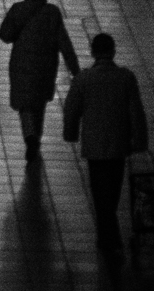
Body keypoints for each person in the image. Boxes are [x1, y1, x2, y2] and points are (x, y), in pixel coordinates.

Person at [63, 33, 149, 260]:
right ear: (113, 51)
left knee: (99, 191)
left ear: (93, 52)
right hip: (119, 144)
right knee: (112, 191)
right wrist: (139, 140)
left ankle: (108, 238)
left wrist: (70, 133)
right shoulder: (125, 77)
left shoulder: (83, 79)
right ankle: (109, 237)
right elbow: (136, 111)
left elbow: (71, 110)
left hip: (94, 145)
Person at [0, 0, 80, 163]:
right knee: (39, 106)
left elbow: (5, 35)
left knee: (25, 106)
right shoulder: (52, 13)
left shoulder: (18, 9)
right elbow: (64, 42)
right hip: (46, 68)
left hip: (22, 66)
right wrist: (75, 69)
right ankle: (37, 139)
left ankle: (30, 138)